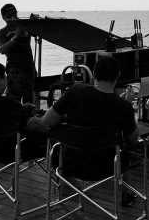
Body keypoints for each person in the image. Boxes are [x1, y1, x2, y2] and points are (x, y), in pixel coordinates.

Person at [39, 56, 139, 205]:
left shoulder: (75, 92)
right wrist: (129, 109)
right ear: (117, 76)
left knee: (57, 142)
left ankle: (71, 186)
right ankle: (127, 193)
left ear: (94, 73)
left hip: (71, 163)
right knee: (122, 146)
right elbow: (133, 138)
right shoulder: (123, 106)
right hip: (107, 166)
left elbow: (46, 122)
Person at [0, 3, 36, 103]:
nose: (13, 17)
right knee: (14, 100)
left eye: (15, 14)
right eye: (9, 16)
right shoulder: (2, 32)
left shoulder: (24, 27)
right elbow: (2, 49)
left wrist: (34, 23)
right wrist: (15, 37)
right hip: (14, 70)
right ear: (4, 18)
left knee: (29, 98)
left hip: (28, 67)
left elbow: (37, 33)